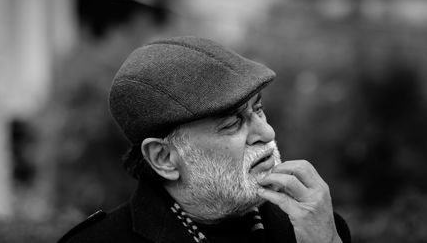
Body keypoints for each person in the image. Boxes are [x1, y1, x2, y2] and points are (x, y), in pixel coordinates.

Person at [58, 36, 351, 243]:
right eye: (232, 123)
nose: (267, 133)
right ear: (164, 158)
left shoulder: (313, 228)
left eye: (258, 109)